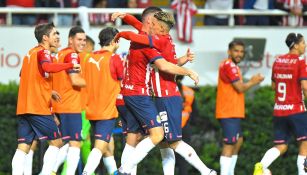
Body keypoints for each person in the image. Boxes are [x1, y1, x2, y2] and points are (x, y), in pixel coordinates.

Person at [114, 10, 217, 175]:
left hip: (166, 97)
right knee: (163, 142)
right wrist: (125, 16)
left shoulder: (158, 40)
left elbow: (164, 65)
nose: (149, 25)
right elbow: (170, 62)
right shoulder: (161, 39)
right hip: (158, 96)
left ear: (161, 28)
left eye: (153, 24)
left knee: (173, 142)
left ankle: (207, 172)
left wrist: (123, 33)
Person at [12, 22, 80, 175]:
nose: (57, 37)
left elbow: (24, 74)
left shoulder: (30, 53)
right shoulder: (44, 52)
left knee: (23, 147)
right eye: (55, 34)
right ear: (45, 38)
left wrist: (48, 91)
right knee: (57, 142)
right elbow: (48, 68)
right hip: (37, 108)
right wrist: (69, 65)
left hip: (24, 107)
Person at [253, 33, 307, 175]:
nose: (305, 46)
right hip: (296, 109)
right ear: (295, 45)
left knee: (281, 145)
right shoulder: (300, 61)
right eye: (303, 43)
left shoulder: (277, 61)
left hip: (279, 110)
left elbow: (273, 86)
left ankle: (261, 166)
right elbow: (305, 86)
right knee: (304, 144)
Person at [216, 40, 264, 175]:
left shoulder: (232, 66)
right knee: (230, 144)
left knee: (238, 141)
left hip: (234, 111)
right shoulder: (229, 65)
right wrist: (253, 81)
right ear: (229, 51)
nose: (239, 54)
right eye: (236, 51)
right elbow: (240, 88)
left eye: (242, 51)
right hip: (228, 112)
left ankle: (230, 172)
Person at [81, 27, 123, 175]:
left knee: (107, 145)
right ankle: (86, 172)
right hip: (107, 110)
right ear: (113, 41)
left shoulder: (88, 58)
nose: (119, 44)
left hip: (91, 110)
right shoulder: (115, 59)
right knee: (99, 146)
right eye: (118, 41)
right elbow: (123, 85)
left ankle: (113, 172)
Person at [51, 26, 87, 174]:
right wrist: (94, 83)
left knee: (62, 143)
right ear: (70, 40)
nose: (83, 43)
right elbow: (75, 80)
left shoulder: (59, 54)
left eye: (84, 40)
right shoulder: (72, 55)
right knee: (75, 143)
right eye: (79, 39)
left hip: (59, 106)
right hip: (70, 106)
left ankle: (50, 171)